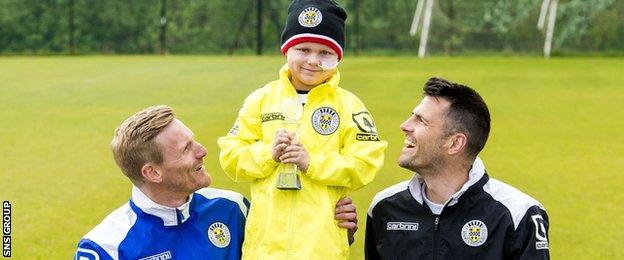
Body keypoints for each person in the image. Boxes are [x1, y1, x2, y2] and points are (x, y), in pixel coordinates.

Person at [218, 0, 387, 258]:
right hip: (264, 249)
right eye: (303, 49)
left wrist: (312, 163)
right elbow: (230, 156)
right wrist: (268, 154)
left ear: (338, 57)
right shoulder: (261, 100)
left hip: (321, 248)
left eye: (325, 53)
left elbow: (366, 162)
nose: (313, 60)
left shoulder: (349, 106)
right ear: (286, 49)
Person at [74, 105, 358, 260]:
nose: (203, 150)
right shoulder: (105, 248)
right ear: (153, 173)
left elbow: (286, 247)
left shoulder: (233, 209)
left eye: (193, 140)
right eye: (186, 148)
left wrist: (333, 225)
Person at [365, 78, 550, 259]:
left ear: (455, 143)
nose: (405, 126)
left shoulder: (519, 214)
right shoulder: (384, 207)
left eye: (421, 120)